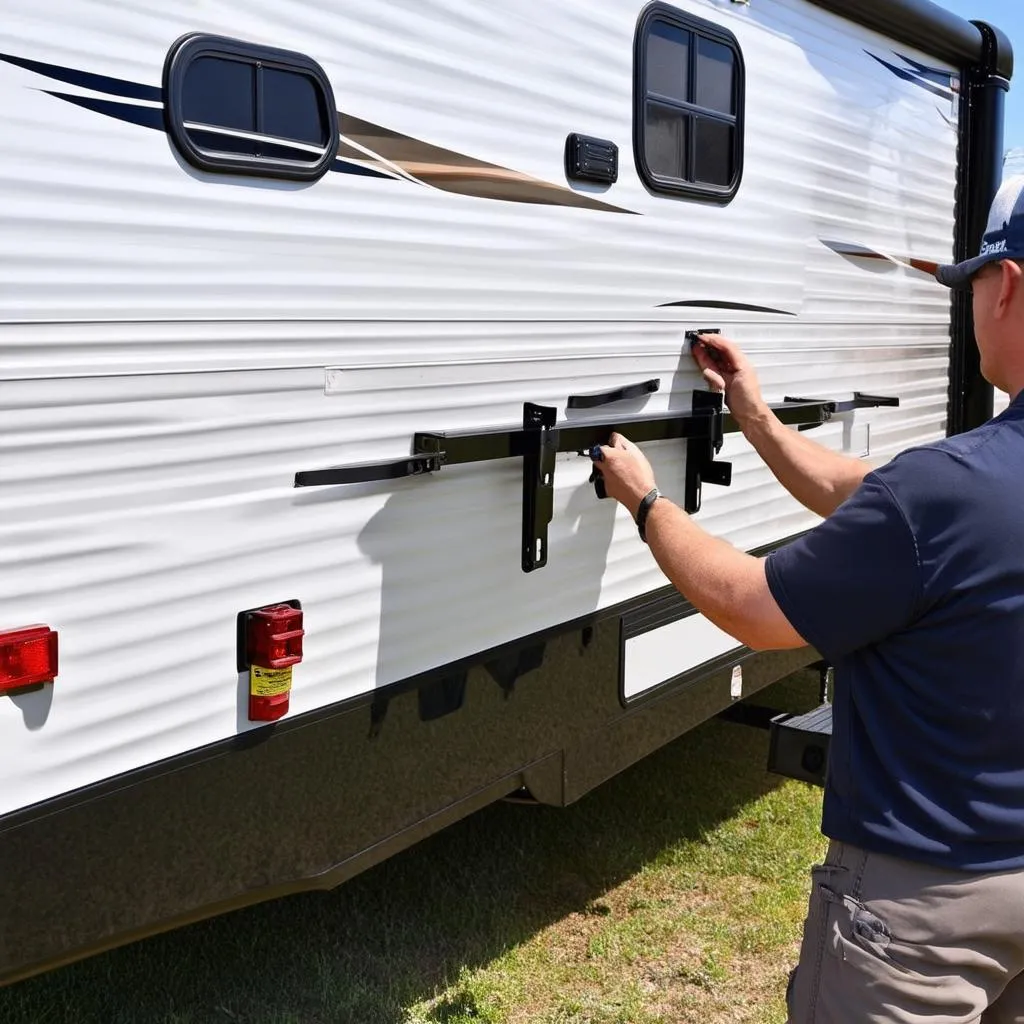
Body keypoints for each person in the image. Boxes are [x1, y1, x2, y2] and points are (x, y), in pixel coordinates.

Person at [591, 174, 1024, 1023]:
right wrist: (752, 414)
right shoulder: (955, 493)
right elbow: (865, 497)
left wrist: (645, 501)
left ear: (1006, 286)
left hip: (922, 906)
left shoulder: (949, 492)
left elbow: (753, 606)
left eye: (970, 282)